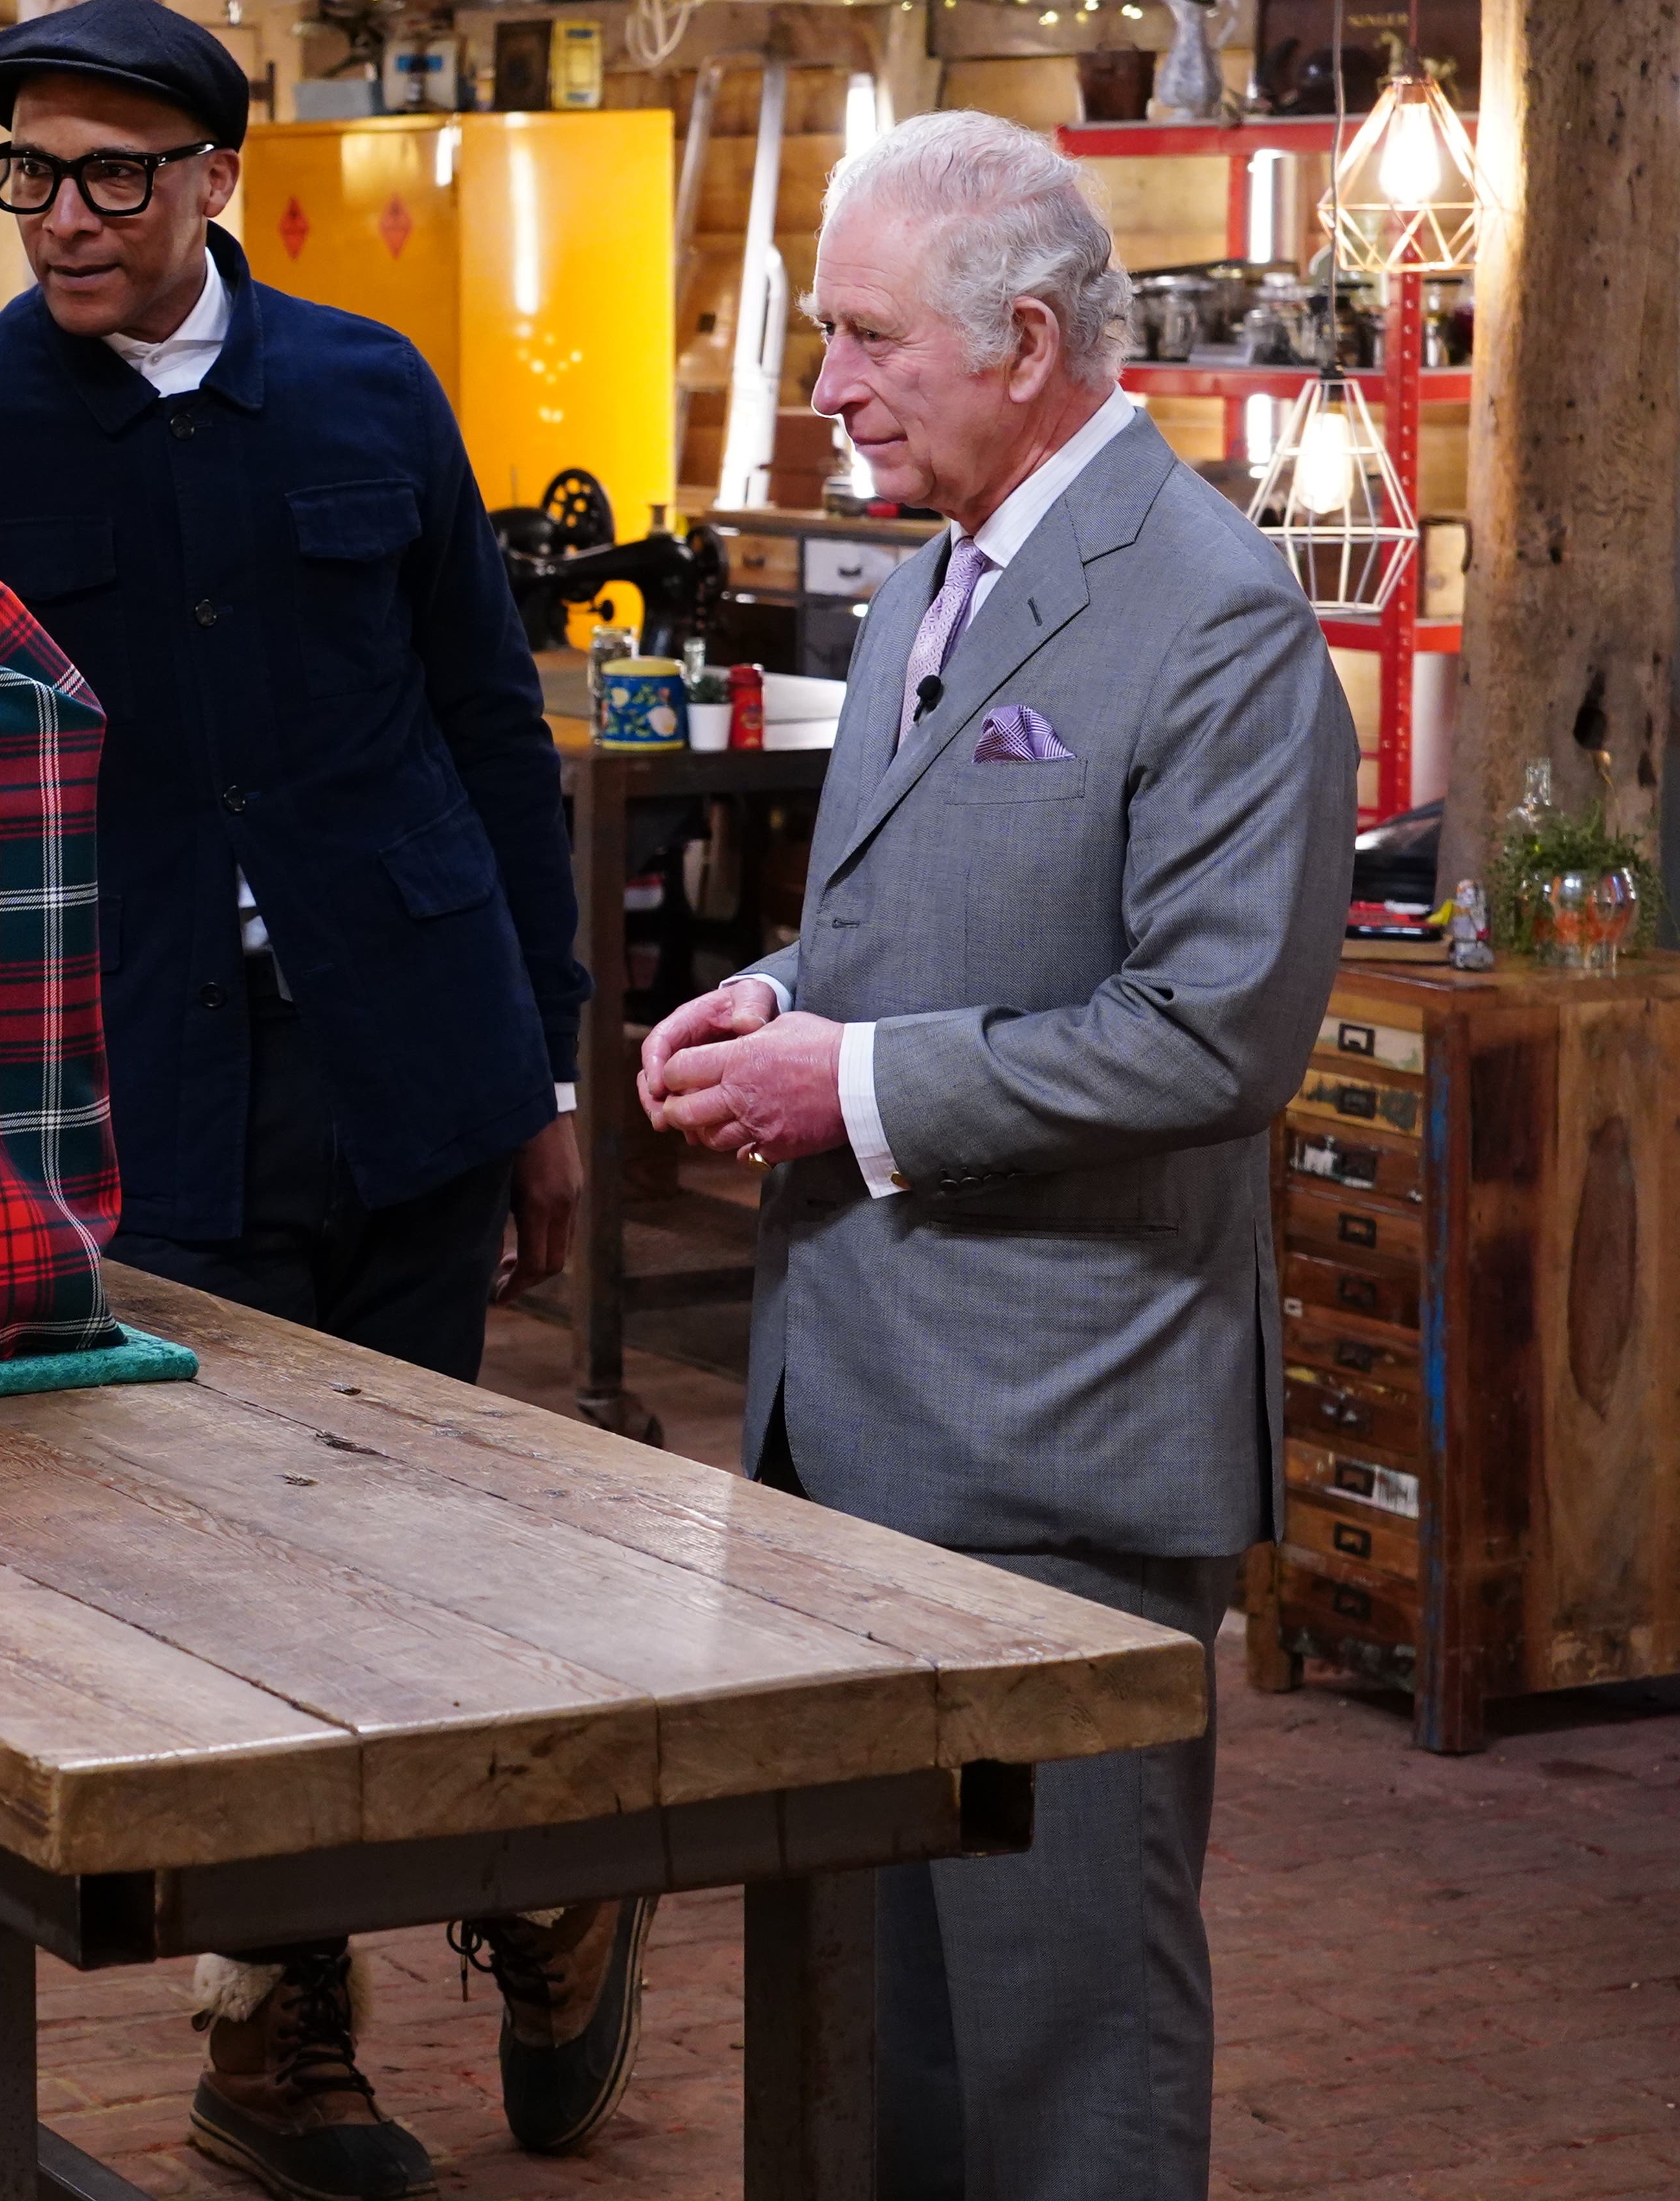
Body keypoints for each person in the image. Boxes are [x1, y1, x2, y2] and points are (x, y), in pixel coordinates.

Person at [0, 0, 631, 2201]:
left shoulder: (370, 389)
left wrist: (548, 1076)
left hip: (415, 1070)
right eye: (28, 177)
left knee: (423, 1549)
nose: (63, 222)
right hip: (133, 1096)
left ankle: (551, 1878)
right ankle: (279, 2042)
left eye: (109, 178)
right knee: (220, 1578)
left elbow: (491, 733)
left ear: (217, 182)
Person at [637, 110, 1353, 2201]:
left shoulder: (1215, 617)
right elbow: (931, 921)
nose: (829, 388)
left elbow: (1211, 1030)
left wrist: (846, 1092)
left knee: (1061, 2053)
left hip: (1054, 1446)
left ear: (1027, 339)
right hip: (847, 1426)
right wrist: (786, 996)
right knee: (873, 2043)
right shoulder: (943, 563)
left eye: (864, 343)